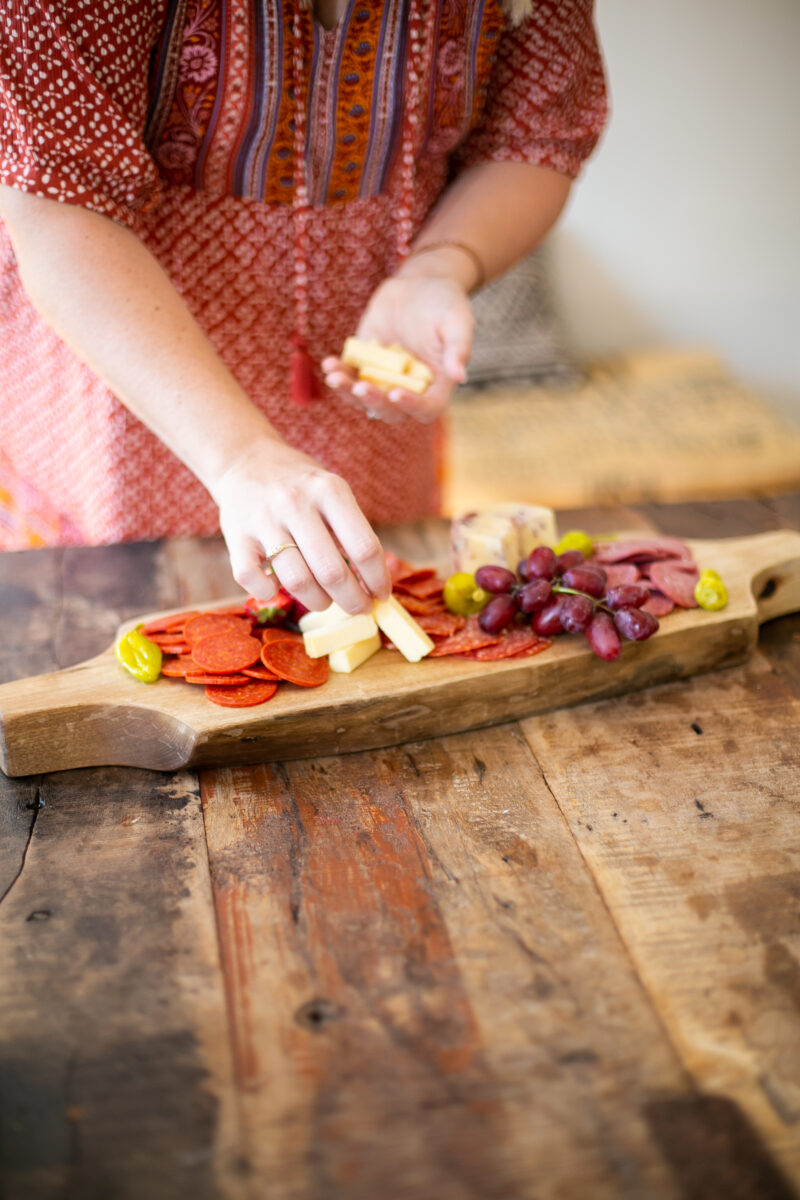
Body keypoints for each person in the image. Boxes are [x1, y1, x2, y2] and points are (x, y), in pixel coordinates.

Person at [0, 0, 606, 616]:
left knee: (362, 607)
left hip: (368, 395)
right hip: (127, 384)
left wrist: (438, 266)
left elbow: (538, 141)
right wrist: (240, 456)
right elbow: (56, 202)